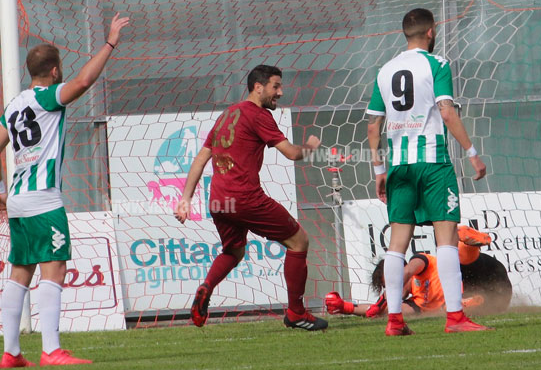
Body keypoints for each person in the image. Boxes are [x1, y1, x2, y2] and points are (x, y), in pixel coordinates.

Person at [0, 13, 130, 368]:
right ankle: (51, 350)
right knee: (53, 268)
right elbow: (86, 80)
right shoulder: (47, 98)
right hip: (43, 199)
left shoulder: (13, 107)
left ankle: (11, 353)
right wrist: (110, 42)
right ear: (55, 72)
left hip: (18, 200)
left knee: (20, 271)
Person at [174, 65, 327, 331]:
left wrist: (185, 199)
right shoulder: (259, 115)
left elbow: (201, 158)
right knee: (299, 241)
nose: (280, 92)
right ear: (259, 87)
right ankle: (296, 313)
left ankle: (206, 286)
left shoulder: (227, 114)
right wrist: (311, 148)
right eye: (276, 86)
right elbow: (291, 153)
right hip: (245, 198)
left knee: (233, 251)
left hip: (220, 202)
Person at [366, 8, 489, 336]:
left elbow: (372, 125)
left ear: (405, 33)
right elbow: (447, 113)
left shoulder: (385, 70)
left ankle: (394, 321)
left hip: (399, 166)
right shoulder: (438, 64)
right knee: (446, 237)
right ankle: (456, 318)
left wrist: (379, 169)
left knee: (397, 242)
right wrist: (473, 153)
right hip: (433, 164)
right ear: (431, 32)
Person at [325, 226, 513, 319]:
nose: (393, 290)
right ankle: (468, 302)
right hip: (491, 293)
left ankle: (463, 235)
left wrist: (383, 298)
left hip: (486, 271)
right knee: (466, 307)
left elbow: (405, 273)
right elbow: (382, 311)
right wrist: (345, 307)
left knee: (457, 257)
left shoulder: (418, 264)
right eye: (387, 286)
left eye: (391, 283)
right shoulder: (416, 302)